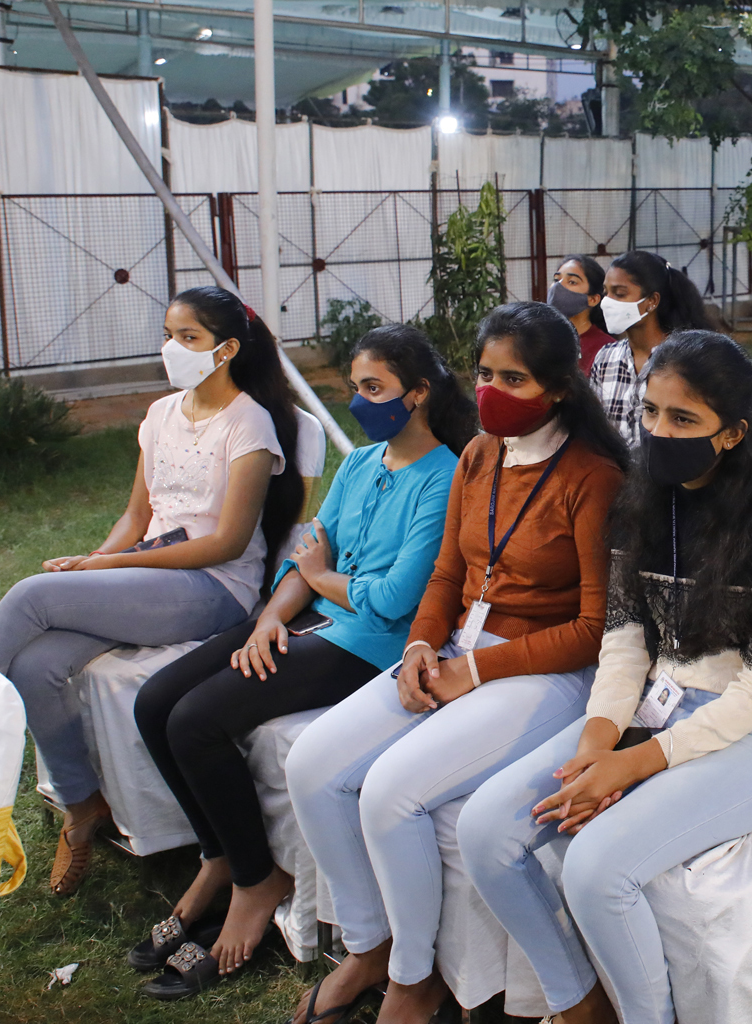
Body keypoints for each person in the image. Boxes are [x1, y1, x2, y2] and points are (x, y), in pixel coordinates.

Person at [455, 330, 752, 1024]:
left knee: (595, 869)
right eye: (650, 412)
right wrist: (595, 745)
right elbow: (624, 646)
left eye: (683, 419)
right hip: (651, 709)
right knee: (485, 830)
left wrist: (633, 763)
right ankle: (577, 1001)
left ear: (733, 433)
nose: (659, 432)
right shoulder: (641, 495)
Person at [284, 302, 628, 1024]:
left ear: (559, 388)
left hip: (544, 670)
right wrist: (420, 645)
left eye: (514, 379)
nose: (492, 391)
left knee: (390, 792)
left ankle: (414, 979)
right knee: (311, 764)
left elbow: (594, 630)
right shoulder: (478, 454)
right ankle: (368, 944)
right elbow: (447, 574)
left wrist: (471, 674)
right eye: (484, 374)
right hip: (453, 650)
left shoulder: (591, 477)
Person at [130, 325, 473, 994]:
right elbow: (305, 555)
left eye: (374, 388)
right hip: (314, 615)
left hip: (368, 645)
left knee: (195, 722)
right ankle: (219, 857)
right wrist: (268, 620)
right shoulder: (361, 462)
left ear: (419, 393)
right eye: (355, 386)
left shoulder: (444, 476)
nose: (359, 401)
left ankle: (256, 882)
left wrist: (317, 578)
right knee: (155, 703)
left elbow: (393, 599)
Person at [0, 286, 301, 897]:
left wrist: (107, 568)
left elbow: (228, 543)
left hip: (213, 587)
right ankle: (82, 805)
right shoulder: (160, 414)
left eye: (189, 338)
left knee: (30, 597)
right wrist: (98, 562)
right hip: (150, 574)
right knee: (38, 666)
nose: (171, 348)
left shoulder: (250, 423)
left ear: (227, 349)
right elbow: (136, 516)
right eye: (169, 335)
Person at [588, 250, 714, 446]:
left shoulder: (684, 360)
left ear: (652, 301)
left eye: (619, 293)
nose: (607, 303)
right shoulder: (605, 357)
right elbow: (595, 426)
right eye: (606, 292)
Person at [550, 255, 615, 373]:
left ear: (593, 299)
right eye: (556, 280)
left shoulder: (606, 349)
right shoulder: (542, 339)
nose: (557, 286)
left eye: (572, 282)